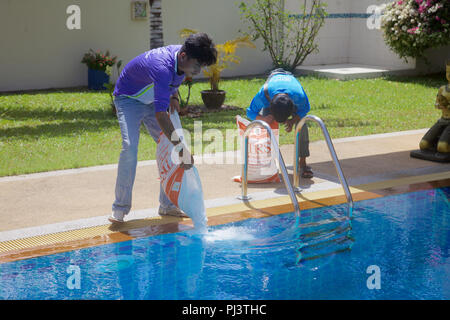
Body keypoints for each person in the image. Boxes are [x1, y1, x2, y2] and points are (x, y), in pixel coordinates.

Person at [109, 33, 217, 223]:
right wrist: (182, 149)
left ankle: (167, 205)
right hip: (128, 99)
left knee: (170, 148)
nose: (199, 71)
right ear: (184, 56)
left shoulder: (182, 58)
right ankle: (120, 208)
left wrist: (174, 96)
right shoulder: (162, 67)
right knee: (130, 148)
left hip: (150, 99)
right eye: (198, 65)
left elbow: (172, 81)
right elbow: (161, 115)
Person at [246, 68, 313, 178]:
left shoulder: (298, 96)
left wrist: (292, 120)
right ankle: (266, 162)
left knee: (302, 124)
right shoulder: (263, 95)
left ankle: (303, 162)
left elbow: (305, 109)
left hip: (289, 85)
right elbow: (250, 112)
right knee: (265, 127)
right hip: (274, 81)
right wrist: (264, 119)